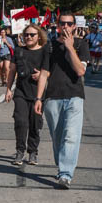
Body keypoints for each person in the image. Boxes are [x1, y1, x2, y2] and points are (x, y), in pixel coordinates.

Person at [36, 14, 89, 189]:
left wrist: (70, 47)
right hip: (53, 96)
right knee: (58, 137)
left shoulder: (81, 44)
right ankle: (62, 165)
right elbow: (44, 72)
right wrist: (38, 98)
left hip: (75, 96)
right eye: (62, 23)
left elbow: (80, 71)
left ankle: (65, 174)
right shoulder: (49, 46)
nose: (66, 26)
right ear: (57, 25)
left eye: (69, 23)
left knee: (71, 136)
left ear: (74, 26)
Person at [7, 24, 48, 166]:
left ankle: (33, 152)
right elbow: (12, 71)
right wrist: (8, 89)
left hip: (38, 94)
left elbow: (49, 70)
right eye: (26, 35)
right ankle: (19, 151)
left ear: (39, 36)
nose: (29, 37)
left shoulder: (44, 52)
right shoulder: (18, 51)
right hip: (21, 92)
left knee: (34, 124)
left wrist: (42, 75)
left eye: (32, 35)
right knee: (20, 121)